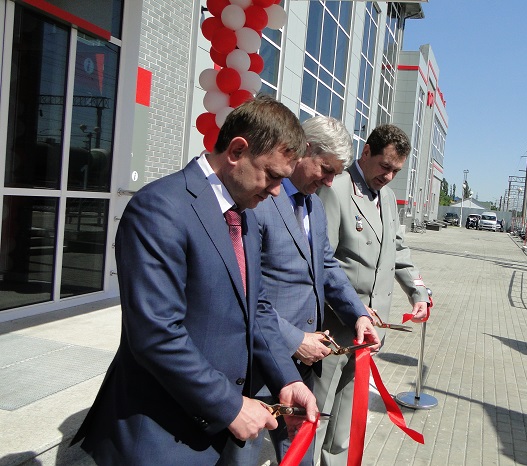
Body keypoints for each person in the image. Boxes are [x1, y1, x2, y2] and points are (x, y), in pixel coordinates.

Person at [72, 96, 319, 465]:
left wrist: (288, 379)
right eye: (272, 176)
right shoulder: (160, 208)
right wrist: (230, 405)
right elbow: (156, 333)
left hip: (225, 435)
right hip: (162, 436)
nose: (275, 191)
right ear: (237, 151)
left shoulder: (244, 213)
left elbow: (257, 309)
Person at [225, 115, 381, 465]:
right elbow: (244, 289)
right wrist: (294, 338)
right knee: (243, 456)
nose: (329, 181)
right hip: (258, 359)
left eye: (336, 174)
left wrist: (358, 313)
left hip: (304, 364)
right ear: (305, 150)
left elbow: (327, 268)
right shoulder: (258, 200)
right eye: (325, 169)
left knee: (298, 452)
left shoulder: (315, 206)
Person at [314, 124, 430, 466]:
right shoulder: (335, 189)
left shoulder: (388, 198)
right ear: (366, 152)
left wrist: (418, 291)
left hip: (370, 331)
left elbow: (397, 249)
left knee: (346, 415)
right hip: (335, 325)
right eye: (385, 166)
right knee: (317, 412)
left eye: (396, 171)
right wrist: (354, 308)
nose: (389, 177)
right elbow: (321, 260)